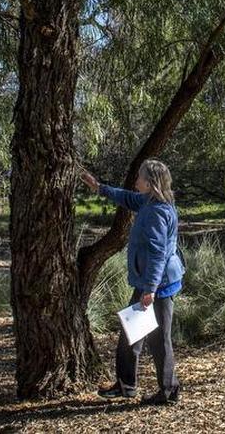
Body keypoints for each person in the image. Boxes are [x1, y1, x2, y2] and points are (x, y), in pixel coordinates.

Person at [80, 159, 185, 405]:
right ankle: (126, 385)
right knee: (131, 333)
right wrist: (100, 188)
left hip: (157, 286)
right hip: (149, 282)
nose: (135, 180)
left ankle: (168, 392)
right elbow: (127, 198)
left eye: (139, 177)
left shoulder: (157, 212)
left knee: (159, 340)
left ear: (149, 183)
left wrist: (150, 289)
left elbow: (158, 253)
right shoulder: (149, 201)